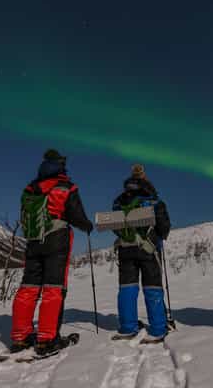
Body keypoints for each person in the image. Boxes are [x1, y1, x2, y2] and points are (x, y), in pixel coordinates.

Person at [10, 149, 93, 357]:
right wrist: (87, 225)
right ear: (61, 166)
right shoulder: (66, 187)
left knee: (28, 288)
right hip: (56, 240)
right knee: (53, 289)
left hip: (33, 242)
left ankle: (21, 337)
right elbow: (77, 216)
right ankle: (47, 339)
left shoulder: (30, 189)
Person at [112, 164, 172, 342]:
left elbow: (115, 224)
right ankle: (158, 329)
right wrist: (158, 237)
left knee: (127, 288)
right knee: (152, 287)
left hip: (125, 249)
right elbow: (164, 226)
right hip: (148, 249)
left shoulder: (119, 201)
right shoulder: (153, 199)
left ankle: (127, 327)